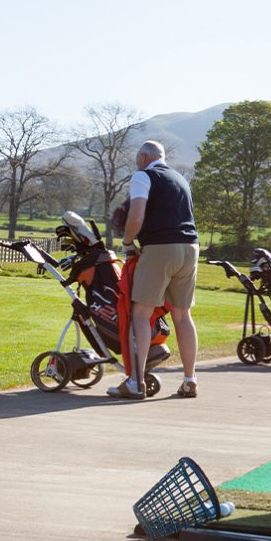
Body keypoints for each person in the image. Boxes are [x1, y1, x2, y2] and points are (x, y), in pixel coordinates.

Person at [107, 140, 200, 400]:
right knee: (182, 315)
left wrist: (127, 243)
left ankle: (136, 382)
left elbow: (136, 216)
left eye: (137, 159)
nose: (137, 163)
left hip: (160, 247)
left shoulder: (143, 176)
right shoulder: (180, 179)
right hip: (190, 248)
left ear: (144, 157)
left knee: (141, 313)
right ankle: (190, 380)